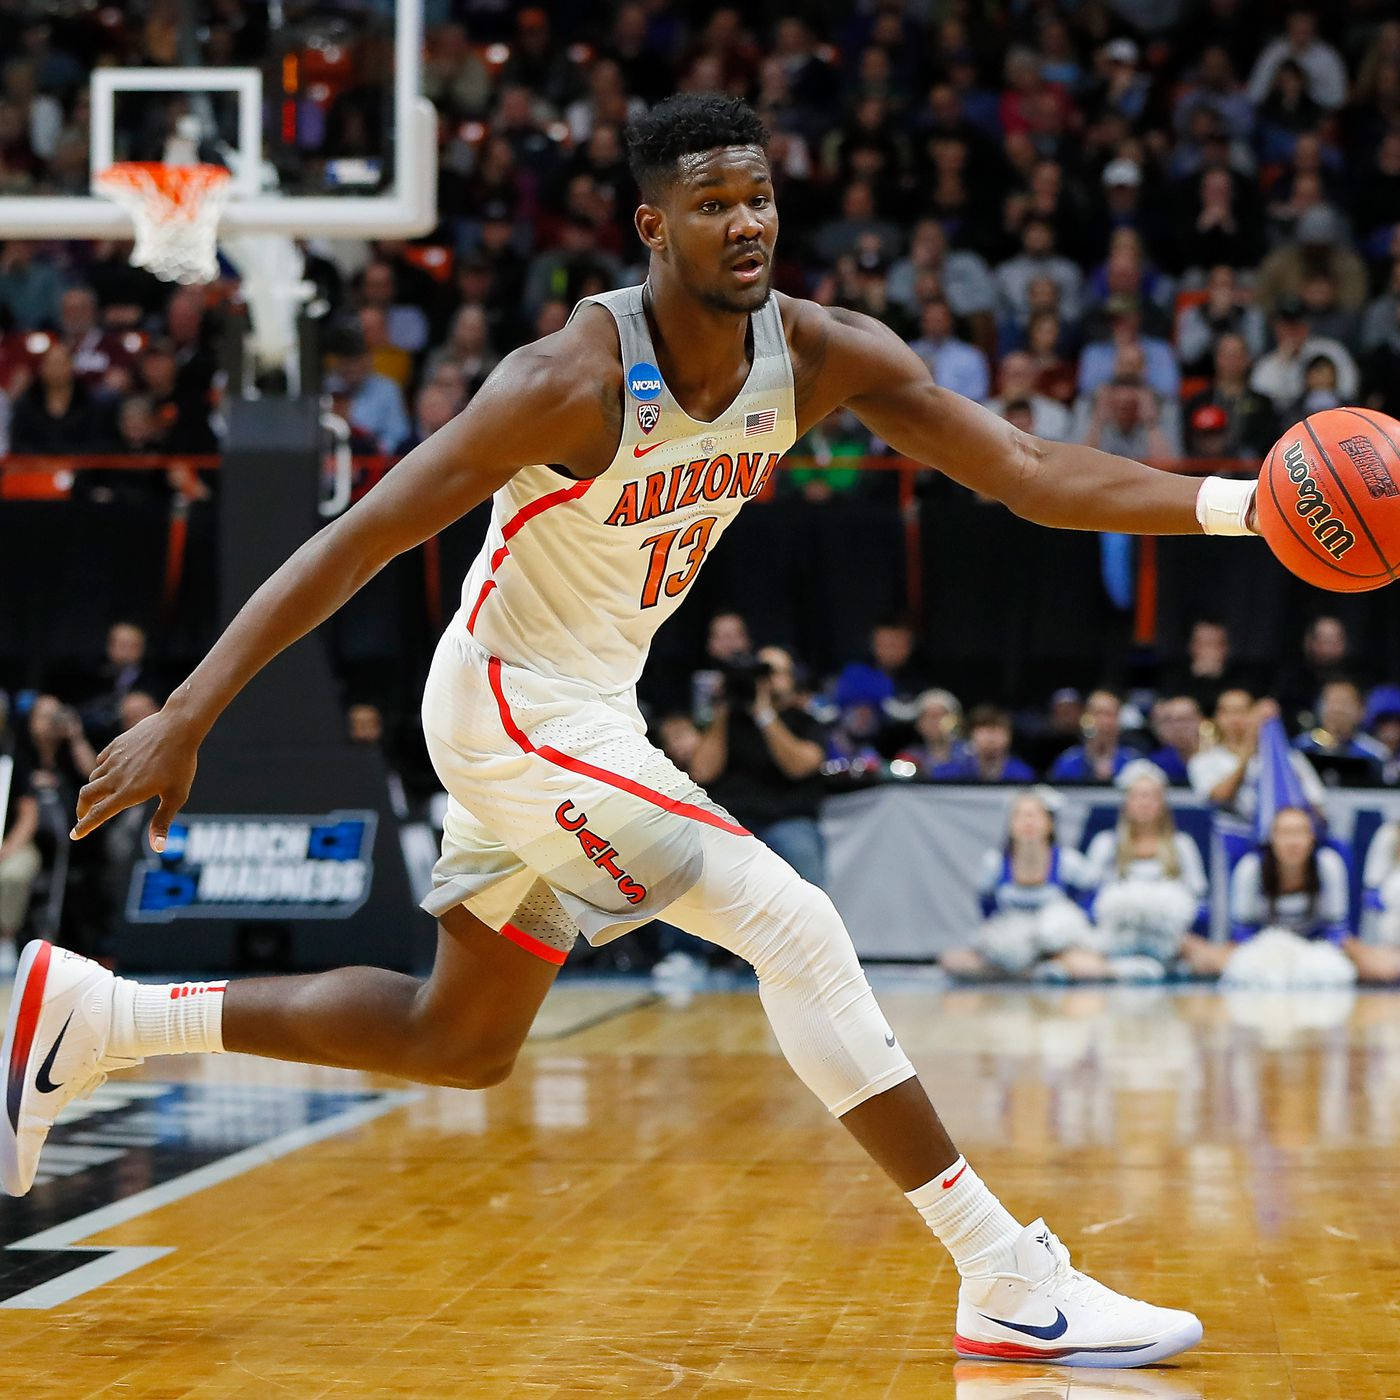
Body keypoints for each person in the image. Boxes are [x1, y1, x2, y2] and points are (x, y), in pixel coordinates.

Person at [16, 94, 1237, 1365]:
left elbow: (1030, 472)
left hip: (589, 714)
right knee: (792, 918)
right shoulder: (568, 380)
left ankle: (95, 1018)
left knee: (460, 1039)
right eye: (710, 204)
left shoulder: (817, 354)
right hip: (504, 706)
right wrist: (188, 710)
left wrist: (1251, 504)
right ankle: (1002, 1271)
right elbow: (356, 539)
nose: (744, 222)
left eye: (757, 195)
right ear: (651, 227)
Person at [689, 645, 827, 887]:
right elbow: (702, 771)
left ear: (792, 680)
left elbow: (800, 766)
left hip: (787, 820)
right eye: (759, 672)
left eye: (772, 672)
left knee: (799, 852)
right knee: (689, 870)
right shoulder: (727, 721)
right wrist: (722, 709)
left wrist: (764, 714)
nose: (764, 681)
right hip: (731, 821)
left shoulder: (805, 721)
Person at [941, 790, 1096, 980]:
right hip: (1011, 946)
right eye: (1021, 815)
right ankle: (1030, 973)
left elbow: (1088, 902)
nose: (1028, 822)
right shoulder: (995, 863)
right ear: (1011, 825)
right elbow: (987, 910)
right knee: (953, 961)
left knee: (1088, 966)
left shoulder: (1068, 861)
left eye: (1035, 815)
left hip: (1055, 945)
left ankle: (1045, 968)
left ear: (1049, 824)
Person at [1183, 807, 1351, 982]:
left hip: (1316, 951)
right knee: (1204, 960)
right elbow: (1242, 934)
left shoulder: (1329, 864)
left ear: (1312, 838)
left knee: (1360, 961)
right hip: (1264, 950)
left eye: (1299, 832)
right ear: (1271, 838)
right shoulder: (1250, 868)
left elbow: (1336, 933)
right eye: (1285, 833)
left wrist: (1302, 956)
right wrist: (1276, 953)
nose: (1293, 842)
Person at [1077, 764, 1208, 981]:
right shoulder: (1105, 844)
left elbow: (1199, 902)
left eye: (1151, 797)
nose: (1144, 803)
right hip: (1116, 940)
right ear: (1126, 803)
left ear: (1162, 804)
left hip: (1169, 941)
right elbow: (1088, 899)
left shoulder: (1182, 845)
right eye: (1138, 796)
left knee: (1206, 957)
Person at [1189, 690, 1325, 822]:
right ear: (1217, 717)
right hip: (1232, 834)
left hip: (1279, 835)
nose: (1235, 719)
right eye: (1227, 712)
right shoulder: (1203, 761)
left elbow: (1318, 807)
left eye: (1242, 711)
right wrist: (1248, 751)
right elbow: (1219, 798)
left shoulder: (1289, 758)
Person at [1049, 690, 1136, 783]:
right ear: (1085, 718)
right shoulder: (1068, 761)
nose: (1104, 721)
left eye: (1110, 714)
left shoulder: (1132, 761)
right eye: (1098, 713)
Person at [930, 706, 1034, 783]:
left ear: (1009, 737)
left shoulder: (1023, 774)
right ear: (971, 735)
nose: (991, 738)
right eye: (984, 731)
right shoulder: (949, 773)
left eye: (997, 731)